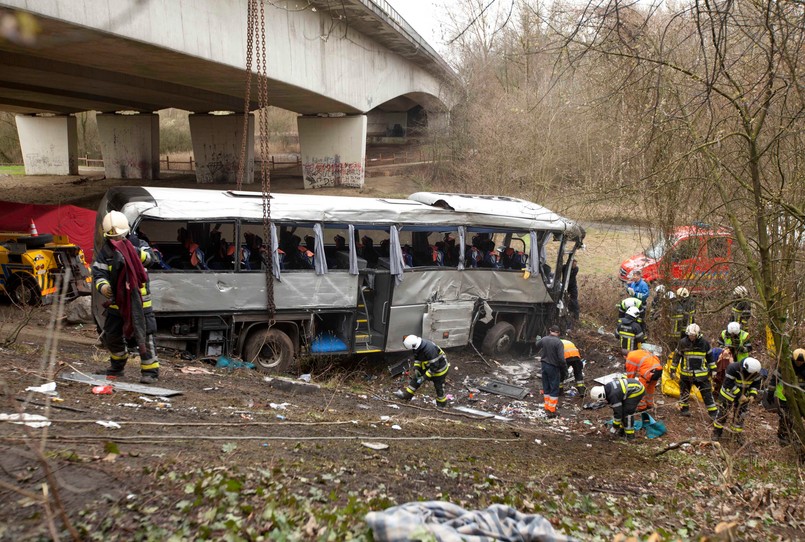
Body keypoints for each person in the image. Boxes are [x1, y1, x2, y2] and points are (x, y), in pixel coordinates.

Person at [92, 211, 160, 384]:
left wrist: (133, 253)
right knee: (112, 336)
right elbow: (98, 273)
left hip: (141, 304)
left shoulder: (139, 244)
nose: (117, 240)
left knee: (145, 336)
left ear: (127, 232)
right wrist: (104, 287)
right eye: (113, 237)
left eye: (120, 236)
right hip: (117, 304)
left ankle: (150, 372)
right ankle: (117, 366)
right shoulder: (105, 252)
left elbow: (153, 259)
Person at [670, 323, 718, 418]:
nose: (691, 337)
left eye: (693, 335)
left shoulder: (704, 344)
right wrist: (673, 370)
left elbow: (710, 357)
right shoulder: (683, 343)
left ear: (698, 334)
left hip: (701, 375)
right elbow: (676, 356)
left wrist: (714, 370)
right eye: (690, 335)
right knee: (684, 392)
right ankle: (684, 409)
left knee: (707, 393)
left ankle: (713, 413)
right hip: (686, 373)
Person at [712, 357, 763, 442]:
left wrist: (752, 394)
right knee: (722, 414)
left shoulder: (756, 373)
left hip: (743, 397)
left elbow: (756, 385)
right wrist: (739, 395)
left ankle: (736, 435)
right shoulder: (733, 368)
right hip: (727, 394)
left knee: (740, 416)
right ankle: (716, 433)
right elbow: (728, 383)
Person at [394, 335, 450, 407]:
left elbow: (434, 367)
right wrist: (417, 368)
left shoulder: (430, 350)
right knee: (416, 380)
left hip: (439, 370)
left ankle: (441, 404)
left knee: (439, 387)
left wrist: (424, 377)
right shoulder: (418, 346)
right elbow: (418, 359)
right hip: (428, 367)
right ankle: (407, 395)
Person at [767, 348, 805, 446]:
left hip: (800, 398)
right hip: (784, 397)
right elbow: (774, 379)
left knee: (797, 418)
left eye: (801, 362)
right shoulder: (784, 366)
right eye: (797, 362)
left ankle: (794, 436)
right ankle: (783, 438)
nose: (799, 364)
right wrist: (770, 393)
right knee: (785, 418)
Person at [534, 325, 566, 418]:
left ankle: (546, 406)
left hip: (544, 365)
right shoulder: (559, 342)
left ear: (550, 331)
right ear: (558, 333)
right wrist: (564, 368)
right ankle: (552, 409)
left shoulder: (544, 339)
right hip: (553, 366)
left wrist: (538, 339)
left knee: (546, 386)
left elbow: (537, 345)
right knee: (554, 387)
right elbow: (561, 358)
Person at [566, 260, 580, 327]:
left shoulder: (576, 269)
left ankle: (576, 316)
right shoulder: (565, 267)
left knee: (574, 300)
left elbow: (571, 276)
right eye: (573, 264)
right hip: (566, 285)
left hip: (572, 285)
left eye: (575, 264)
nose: (575, 266)